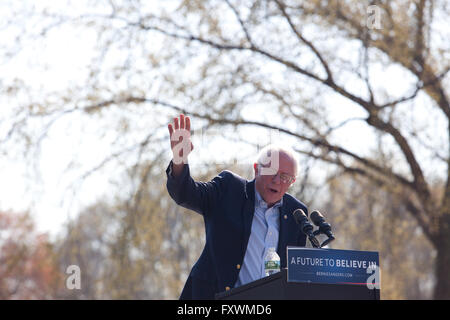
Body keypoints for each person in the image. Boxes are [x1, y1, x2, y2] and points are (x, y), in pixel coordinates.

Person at [166, 114, 308, 300]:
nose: (276, 180)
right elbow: (185, 194)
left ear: (292, 182)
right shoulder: (229, 189)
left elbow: (294, 276)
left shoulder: (296, 213)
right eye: (271, 171)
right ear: (256, 168)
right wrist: (179, 161)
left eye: (285, 177)